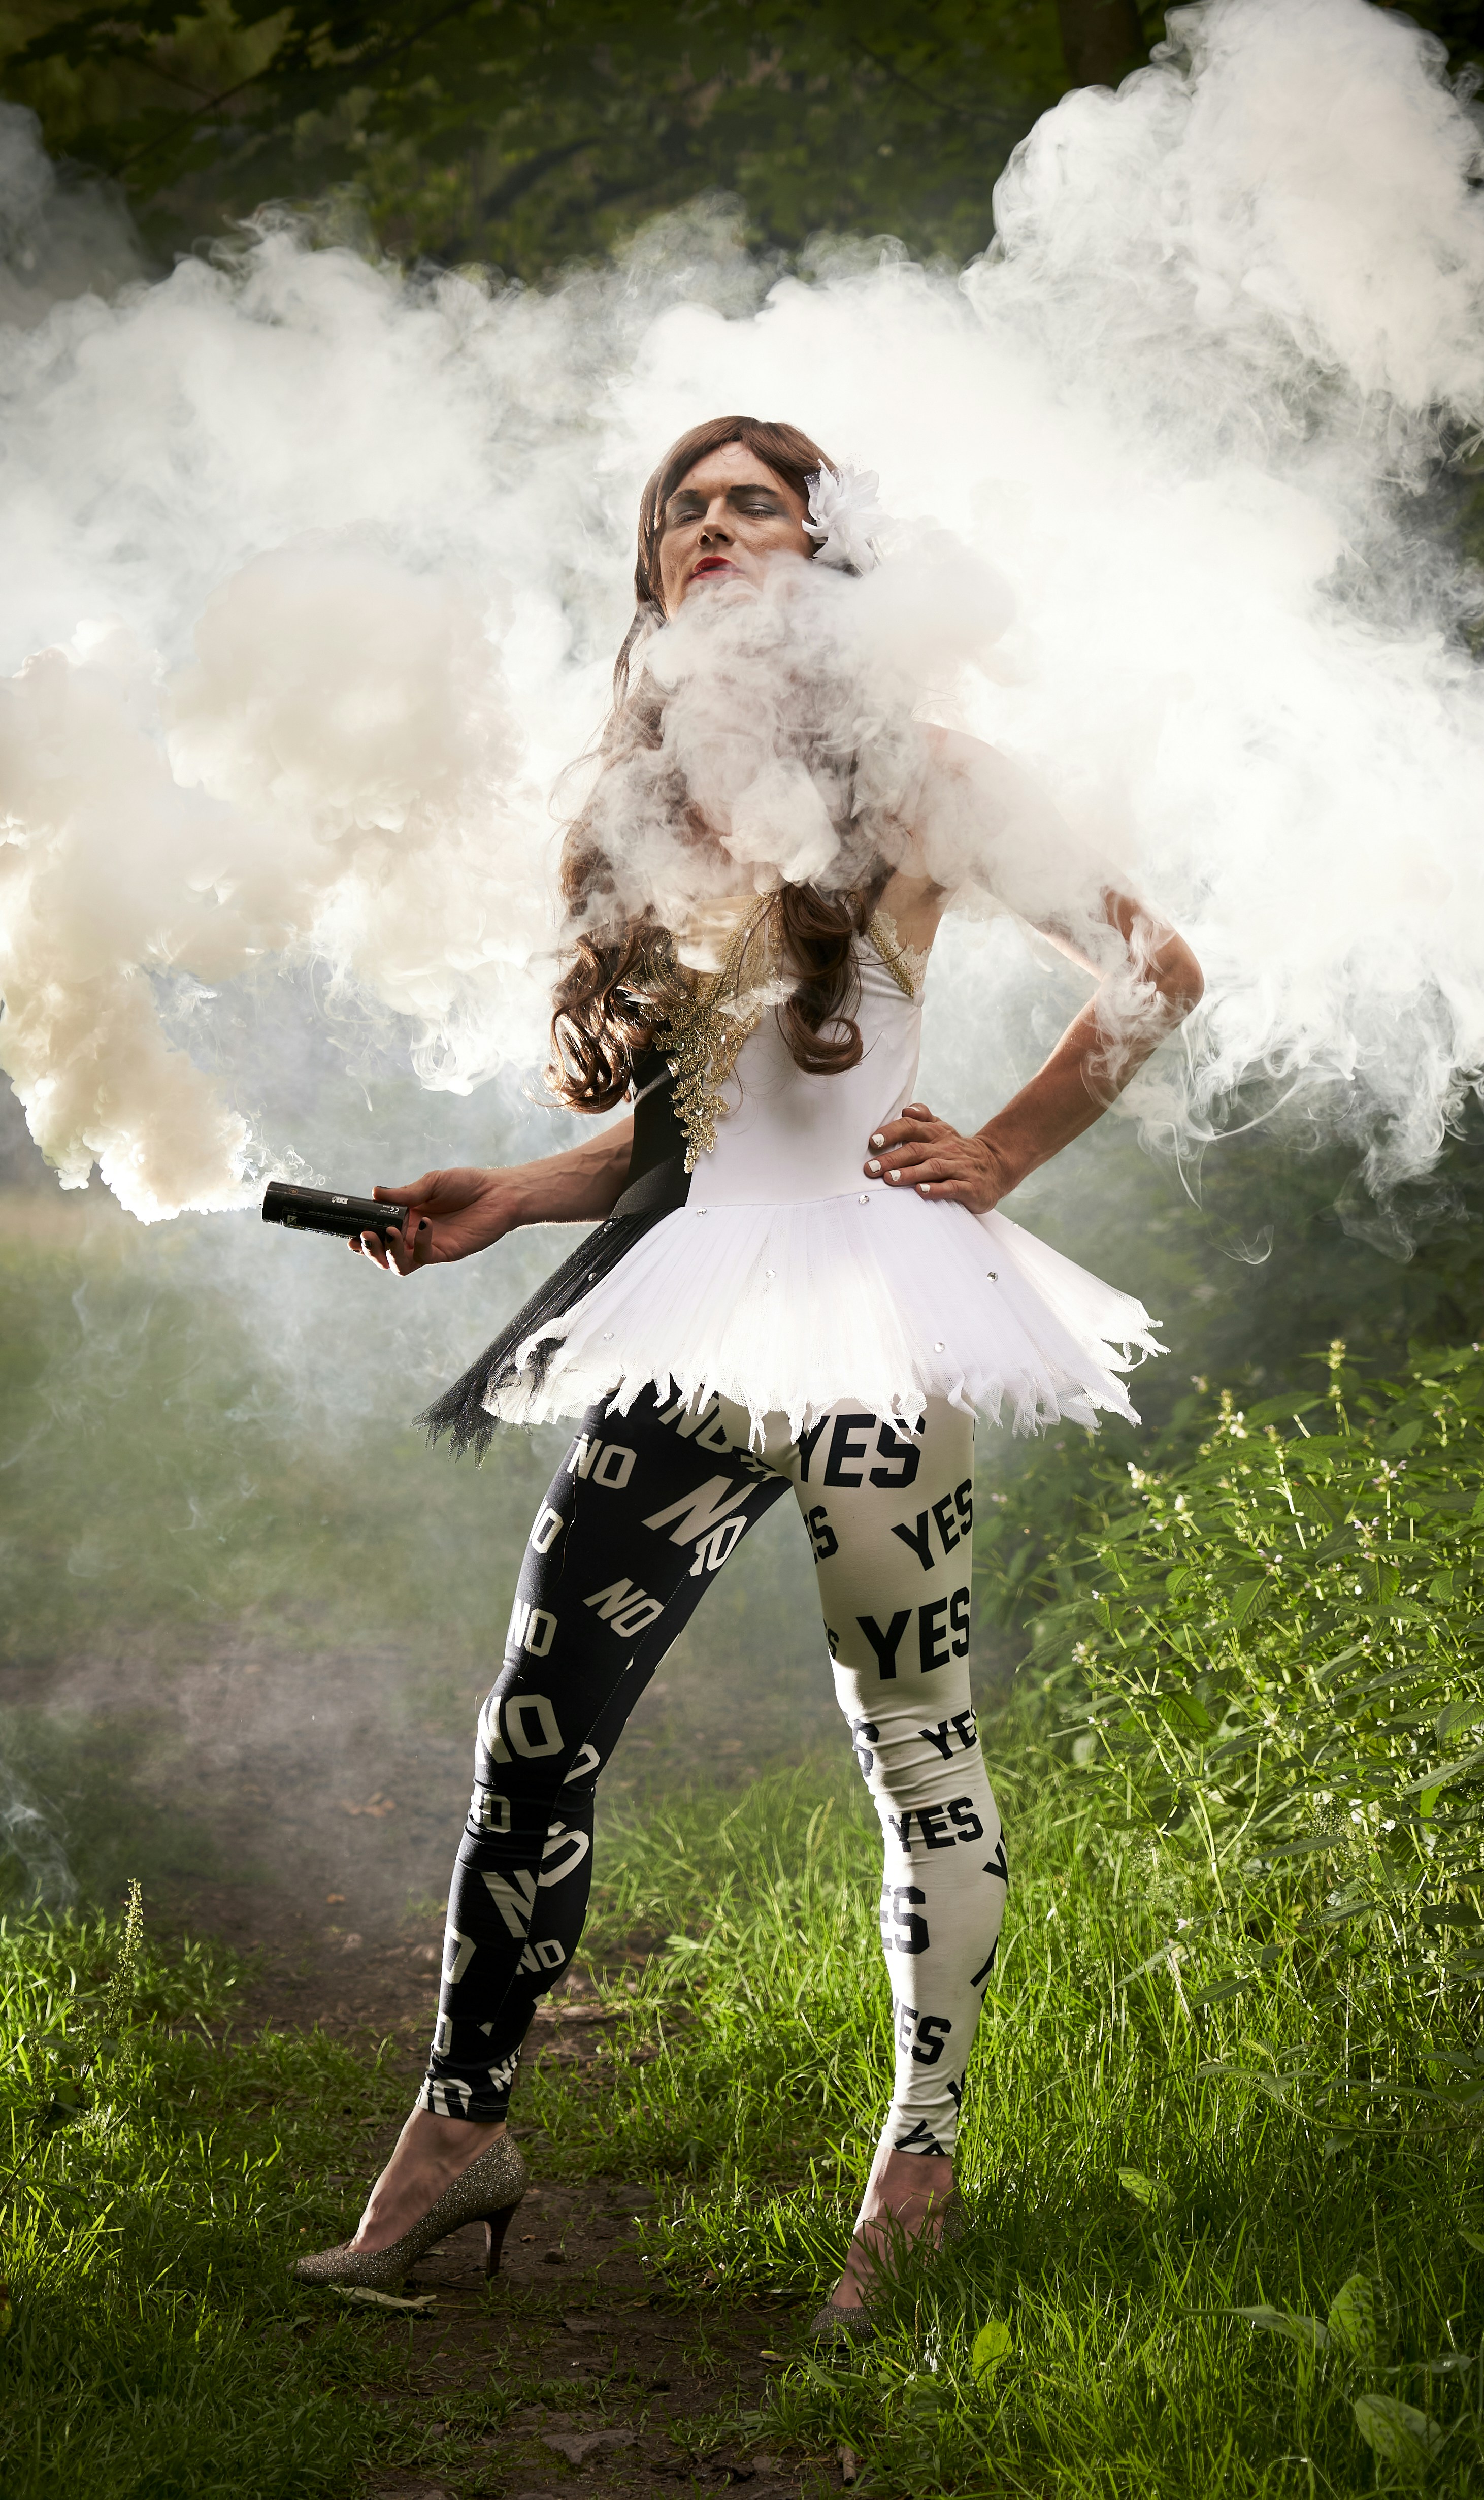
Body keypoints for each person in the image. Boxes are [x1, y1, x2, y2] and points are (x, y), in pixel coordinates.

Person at [292, 415, 1203, 2335]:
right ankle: (455, 2140)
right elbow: (692, 1145)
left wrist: (1011, 1152)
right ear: (655, 573)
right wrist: (500, 1204)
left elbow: (1153, 964)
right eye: (680, 510)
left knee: (915, 1743)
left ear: (821, 553)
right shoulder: (658, 800)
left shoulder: (930, 772)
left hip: (880, 1310)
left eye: (754, 503)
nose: (712, 526)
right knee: (535, 1730)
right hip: (697, 1309)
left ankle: (920, 2175)